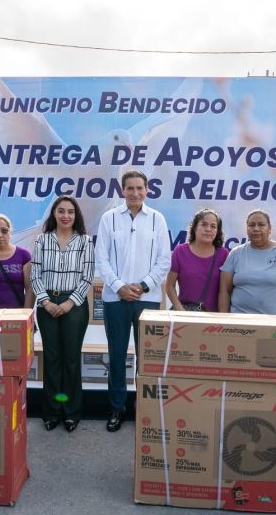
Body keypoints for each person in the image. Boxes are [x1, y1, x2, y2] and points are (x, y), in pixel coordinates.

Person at [94, 170, 171, 432]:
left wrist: (143, 285)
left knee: (146, 358)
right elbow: (101, 258)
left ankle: (144, 410)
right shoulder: (109, 218)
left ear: (147, 190)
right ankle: (117, 408)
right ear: (122, 190)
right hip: (115, 298)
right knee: (116, 355)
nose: (135, 193)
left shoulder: (157, 219)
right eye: (130, 188)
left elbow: (164, 260)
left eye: (140, 188)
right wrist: (119, 287)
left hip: (147, 299)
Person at [31, 197, 95, 433]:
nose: (66, 215)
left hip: (74, 305)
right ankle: (51, 412)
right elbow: (35, 275)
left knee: (71, 359)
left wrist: (69, 303)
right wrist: (45, 302)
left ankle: (71, 413)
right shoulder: (42, 240)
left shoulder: (85, 241)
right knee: (52, 359)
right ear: (54, 214)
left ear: (76, 215)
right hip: (46, 304)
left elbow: (87, 277)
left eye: (70, 211)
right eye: (61, 211)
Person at [219, 209, 276, 315]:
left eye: (261, 225)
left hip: (275, 323)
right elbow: (224, 291)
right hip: (239, 322)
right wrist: (224, 319)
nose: (256, 229)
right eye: (251, 225)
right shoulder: (235, 253)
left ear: (269, 229)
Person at [165, 209, 229, 312]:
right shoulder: (180, 251)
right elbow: (169, 285)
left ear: (217, 231)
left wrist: (222, 317)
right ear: (194, 227)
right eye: (204, 224)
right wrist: (179, 309)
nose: (208, 229)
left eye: (213, 226)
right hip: (185, 315)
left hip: (213, 317)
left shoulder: (223, 254)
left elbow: (225, 291)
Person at [0, 214, 34, 308]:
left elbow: (30, 289)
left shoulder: (23, 255)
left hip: (17, 312)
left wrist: (26, 312)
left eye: (4, 231)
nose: (0, 235)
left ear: (9, 232)